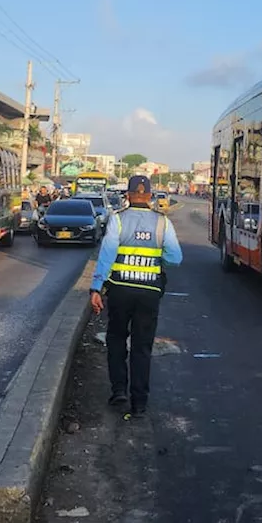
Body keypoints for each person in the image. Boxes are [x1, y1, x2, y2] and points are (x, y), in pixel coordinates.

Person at [89, 175, 183, 418]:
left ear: (128, 196)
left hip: (120, 290)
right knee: (142, 347)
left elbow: (107, 255)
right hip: (149, 293)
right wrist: (155, 258)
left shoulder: (118, 220)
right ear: (150, 196)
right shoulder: (163, 223)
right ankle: (139, 403)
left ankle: (119, 389)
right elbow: (175, 258)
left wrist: (96, 288)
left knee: (117, 339)